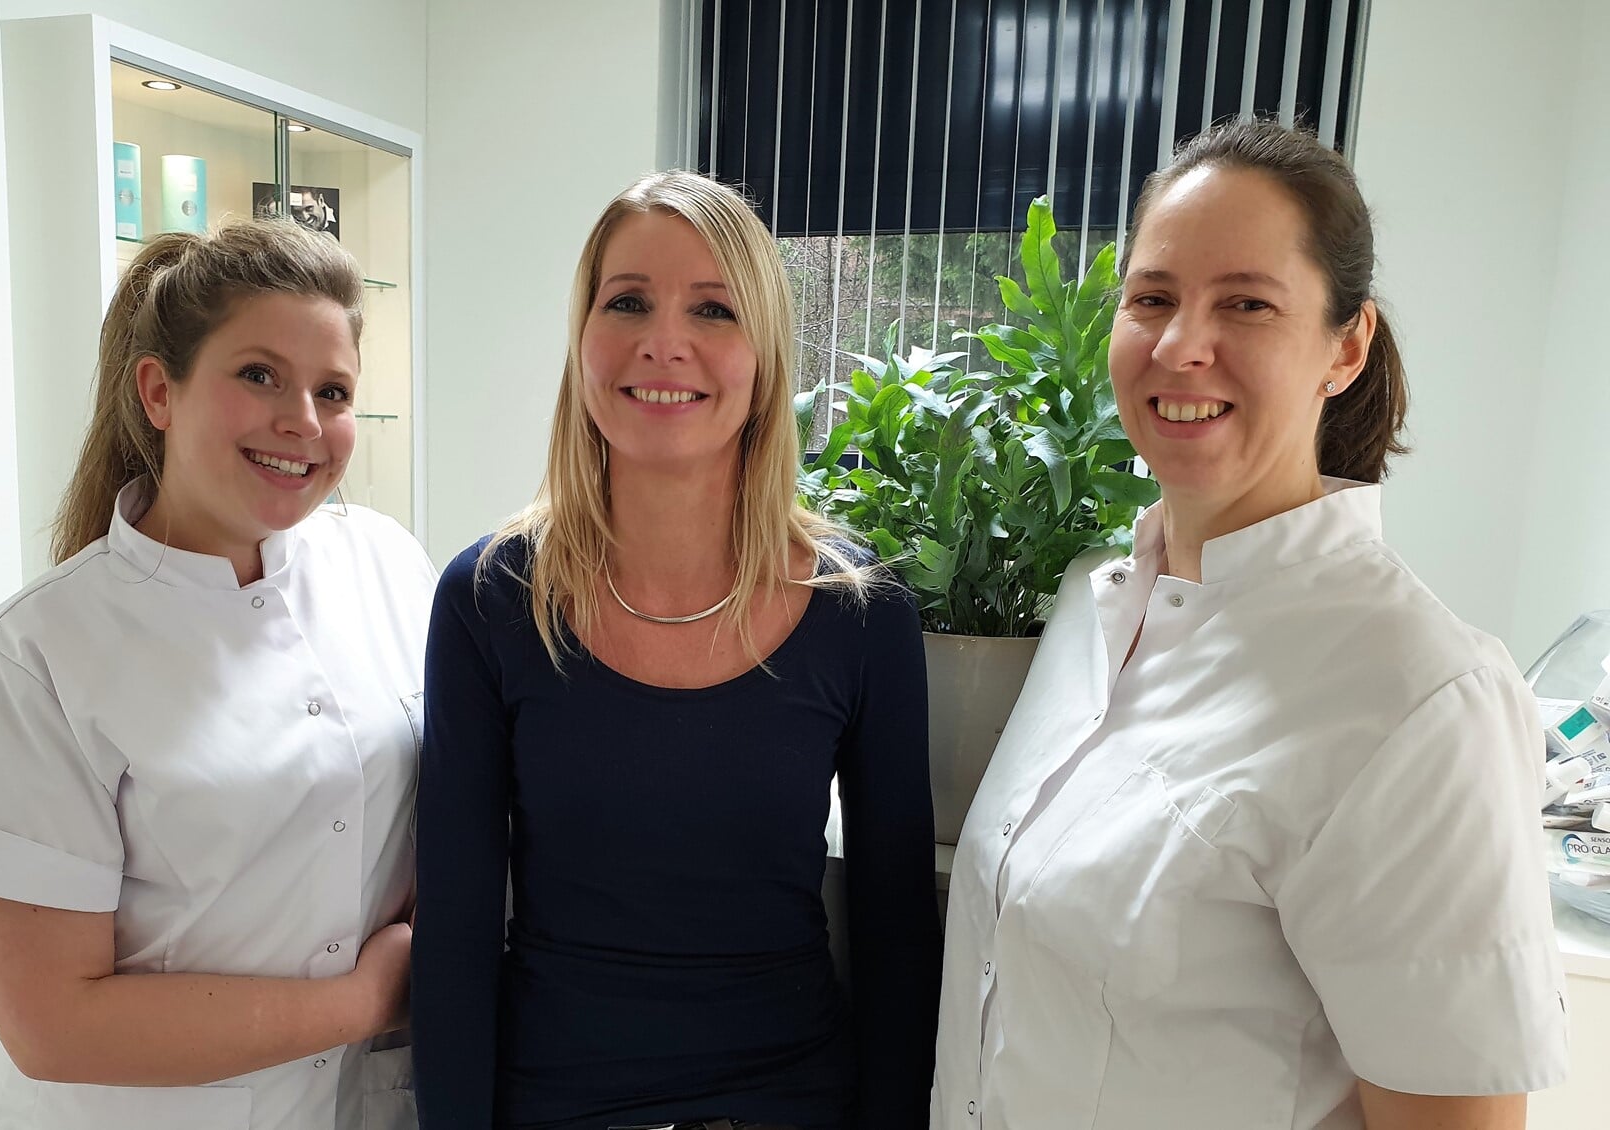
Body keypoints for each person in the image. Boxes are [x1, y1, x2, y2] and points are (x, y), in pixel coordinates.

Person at [930, 119, 1569, 1130]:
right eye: (1152, 298)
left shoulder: (1419, 699)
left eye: (1247, 303)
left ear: (1344, 347)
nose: (1183, 344)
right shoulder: (1092, 607)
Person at [412, 170, 943, 1130]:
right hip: (557, 1105)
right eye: (628, 302)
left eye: (713, 308)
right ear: (581, 343)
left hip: (792, 1102)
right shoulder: (490, 600)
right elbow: (453, 931)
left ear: (765, 356)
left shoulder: (860, 608)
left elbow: (897, 932)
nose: (665, 341)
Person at [0, 219, 434, 1130]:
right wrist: (366, 999)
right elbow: (54, 1024)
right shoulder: (35, 656)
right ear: (159, 391)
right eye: (259, 376)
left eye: (334, 390)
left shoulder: (389, 566)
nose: (304, 423)